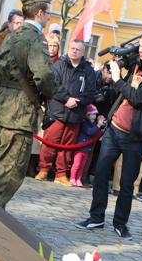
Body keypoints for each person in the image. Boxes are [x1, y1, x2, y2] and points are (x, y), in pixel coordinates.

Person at [75, 29, 142, 240]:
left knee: (126, 183)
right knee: (99, 174)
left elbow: (137, 97)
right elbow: (126, 58)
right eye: (140, 47)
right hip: (115, 130)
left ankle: (120, 223)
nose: (141, 51)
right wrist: (123, 56)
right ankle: (96, 217)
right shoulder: (138, 63)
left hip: (135, 136)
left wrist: (118, 79)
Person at [0, 0, 58, 208]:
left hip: (2, 106)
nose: (49, 16)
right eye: (48, 12)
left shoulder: (10, 36)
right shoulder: (35, 39)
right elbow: (43, 74)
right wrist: (52, 92)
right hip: (19, 112)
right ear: (39, 13)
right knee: (11, 170)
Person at [35, 38, 97, 185]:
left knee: (67, 145)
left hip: (76, 114)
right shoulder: (58, 65)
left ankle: (61, 173)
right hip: (57, 111)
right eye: (72, 48)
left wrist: (78, 101)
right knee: (50, 142)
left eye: (77, 49)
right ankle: (44, 169)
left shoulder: (88, 70)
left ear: (83, 52)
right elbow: (54, 85)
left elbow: (90, 92)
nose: (74, 51)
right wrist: (67, 99)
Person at [70, 105, 106, 187]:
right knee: (77, 164)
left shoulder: (93, 123)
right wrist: (98, 125)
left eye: (95, 114)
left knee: (82, 165)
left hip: (87, 148)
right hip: (80, 147)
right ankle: (72, 178)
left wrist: (100, 125)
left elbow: (96, 132)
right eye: (93, 114)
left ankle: (78, 179)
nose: (95, 116)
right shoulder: (84, 123)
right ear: (88, 115)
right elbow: (90, 132)